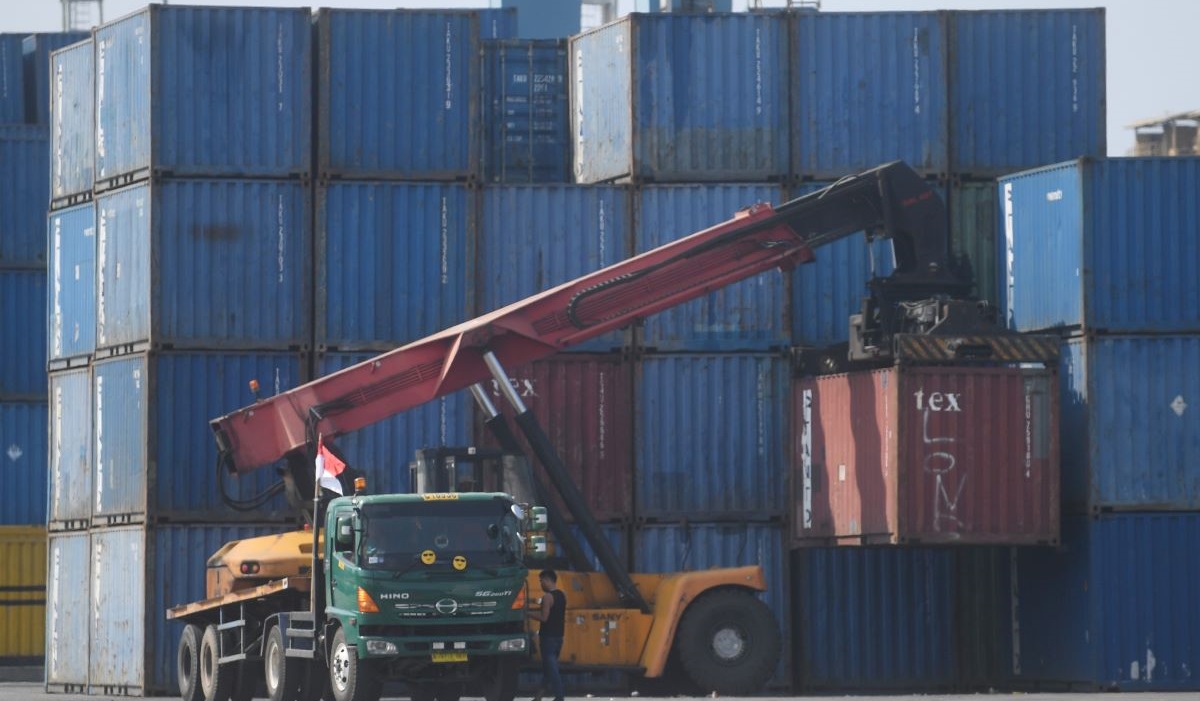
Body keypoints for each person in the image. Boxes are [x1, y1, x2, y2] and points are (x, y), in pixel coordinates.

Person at [526, 569, 566, 701]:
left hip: (548, 638)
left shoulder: (547, 597)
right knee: (548, 670)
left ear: (548, 580)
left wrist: (527, 613)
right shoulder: (562, 595)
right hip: (559, 637)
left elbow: (544, 617)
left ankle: (559, 697)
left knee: (552, 670)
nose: (540, 584)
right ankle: (538, 697)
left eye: (541, 580)